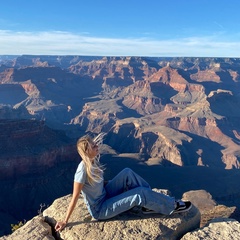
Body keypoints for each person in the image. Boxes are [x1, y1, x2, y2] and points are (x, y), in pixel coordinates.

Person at [55, 133, 192, 232]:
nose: (97, 146)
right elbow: (75, 196)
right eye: (93, 145)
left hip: (105, 194)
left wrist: (114, 183)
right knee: (139, 194)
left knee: (127, 173)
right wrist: (65, 221)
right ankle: (171, 205)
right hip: (100, 209)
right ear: (86, 151)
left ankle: (149, 203)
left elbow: (97, 184)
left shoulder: (92, 162)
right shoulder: (82, 170)